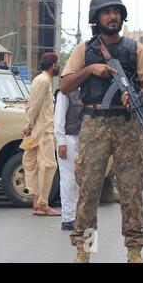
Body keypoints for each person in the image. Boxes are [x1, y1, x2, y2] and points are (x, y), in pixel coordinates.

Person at [60, 0, 143, 263]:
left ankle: (134, 251)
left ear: (122, 16)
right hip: (94, 123)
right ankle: (85, 250)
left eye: (116, 12)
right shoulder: (84, 50)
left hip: (127, 125)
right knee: (88, 190)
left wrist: (135, 95)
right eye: (106, 12)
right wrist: (91, 70)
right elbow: (64, 86)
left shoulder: (137, 50)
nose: (112, 16)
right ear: (96, 17)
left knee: (131, 191)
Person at [21, 53, 60, 217]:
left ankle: (37, 204)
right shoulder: (43, 81)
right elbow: (35, 105)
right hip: (43, 130)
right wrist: (29, 125)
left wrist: (30, 126)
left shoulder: (42, 80)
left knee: (38, 166)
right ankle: (43, 204)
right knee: (49, 165)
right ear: (54, 65)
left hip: (39, 129)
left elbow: (33, 104)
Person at [54, 89, 82, 230]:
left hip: (82, 139)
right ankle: (68, 218)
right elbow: (59, 119)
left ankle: (77, 215)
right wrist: (61, 142)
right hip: (68, 139)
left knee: (79, 180)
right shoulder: (65, 92)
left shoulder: (85, 90)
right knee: (68, 179)